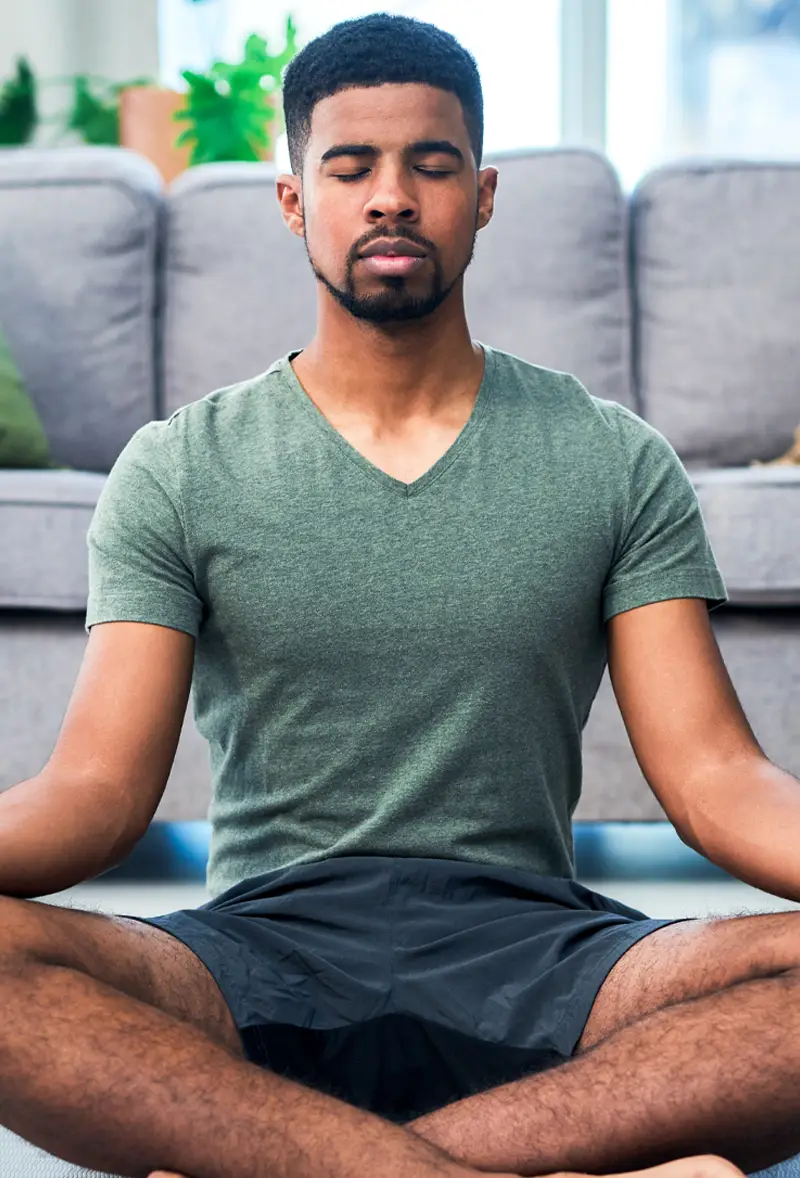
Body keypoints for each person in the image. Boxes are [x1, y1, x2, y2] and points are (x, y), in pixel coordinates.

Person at [0, 13, 798, 1178]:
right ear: (292, 202)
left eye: (428, 165)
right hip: (255, 950)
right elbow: (97, 790)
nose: (390, 196)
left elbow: (717, 778)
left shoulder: (611, 457)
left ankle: (271, 1157)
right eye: (349, 166)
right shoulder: (178, 466)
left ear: (479, 197)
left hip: (546, 954)